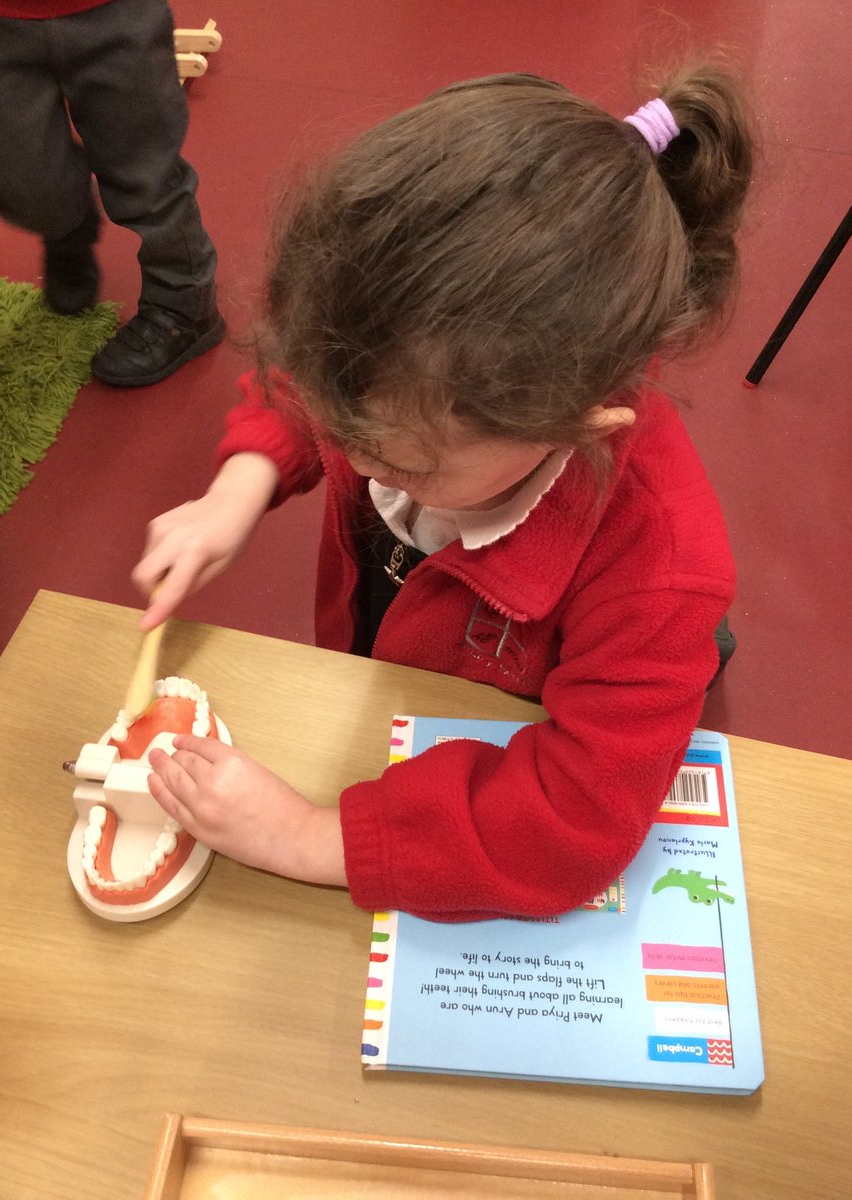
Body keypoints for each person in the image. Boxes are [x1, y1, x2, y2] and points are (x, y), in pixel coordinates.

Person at [133, 68, 754, 921]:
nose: (347, 451)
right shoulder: (403, 361)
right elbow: (307, 381)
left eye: (401, 463)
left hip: (518, 693)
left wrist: (315, 837)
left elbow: (575, 817)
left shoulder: (660, 567)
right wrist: (243, 484)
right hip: (405, 659)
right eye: (342, 422)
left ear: (583, 420)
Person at [0, 0, 223, 387]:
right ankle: (68, 225)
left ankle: (184, 305)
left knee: (146, 174)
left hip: (114, 12)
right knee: (24, 182)